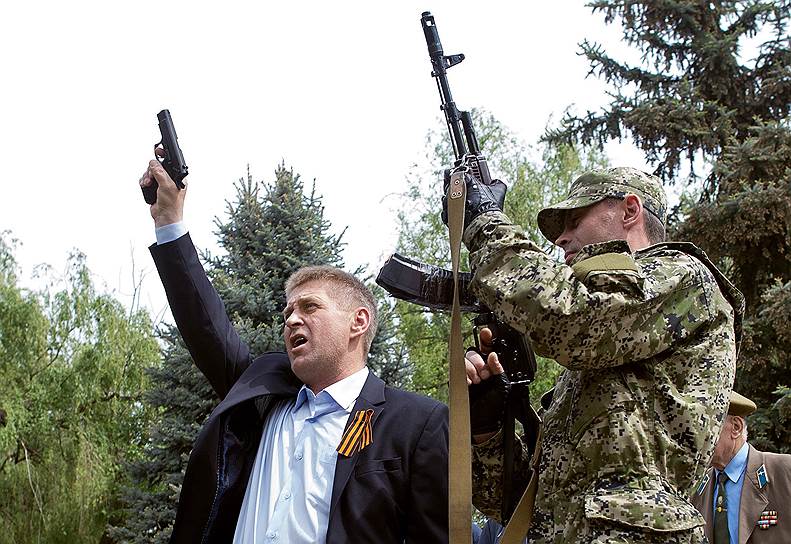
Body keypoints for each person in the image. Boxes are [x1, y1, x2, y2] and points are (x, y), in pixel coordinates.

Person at [139, 157, 449, 543]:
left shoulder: (417, 423)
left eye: (310, 307)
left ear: (359, 321)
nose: (291, 320)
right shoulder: (264, 399)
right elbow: (206, 327)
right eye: (287, 312)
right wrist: (169, 221)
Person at [455, 167, 744, 543]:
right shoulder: (598, 362)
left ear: (629, 211)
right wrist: (487, 429)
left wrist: (485, 225)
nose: (561, 238)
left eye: (575, 220)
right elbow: (518, 507)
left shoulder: (684, 278)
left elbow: (573, 318)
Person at [691, 390, 791, 543]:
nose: (692, 436)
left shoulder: (783, 470)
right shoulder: (698, 487)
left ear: (736, 427)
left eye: (702, 425)